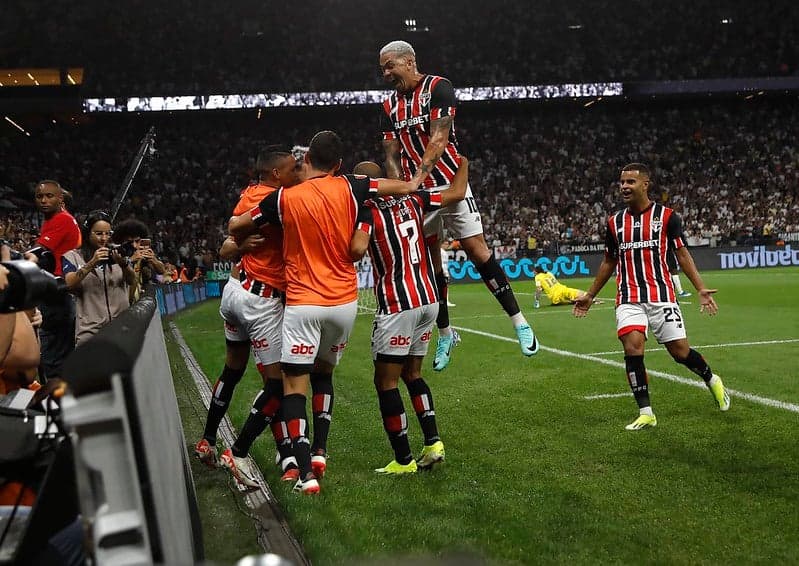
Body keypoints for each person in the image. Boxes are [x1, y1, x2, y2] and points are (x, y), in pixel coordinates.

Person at [229, 130, 417, 495]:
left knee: (293, 386)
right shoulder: (352, 186)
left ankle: (305, 474)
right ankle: (320, 452)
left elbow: (238, 225)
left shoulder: (284, 197)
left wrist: (243, 233)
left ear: (306, 159)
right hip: (344, 304)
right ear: (339, 164)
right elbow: (400, 187)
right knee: (324, 375)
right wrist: (415, 175)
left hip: (303, 303)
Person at [378, 40, 538, 373]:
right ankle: (446, 335)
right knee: (430, 265)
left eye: (390, 65)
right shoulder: (389, 104)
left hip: (450, 184)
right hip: (416, 194)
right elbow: (391, 152)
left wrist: (416, 179)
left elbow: (439, 138)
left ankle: (520, 322)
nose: (386, 73)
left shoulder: (438, 87)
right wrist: (400, 188)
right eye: (383, 68)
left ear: (409, 61)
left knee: (477, 250)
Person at [572, 163, 730, 430]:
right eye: (622, 182)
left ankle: (712, 379)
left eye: (630, 182)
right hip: (628, 296)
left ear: (645, 184)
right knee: (632, 348)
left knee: (680, 352)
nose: (624, 186)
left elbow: (682, 254)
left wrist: (700, 288)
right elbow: (609, 261)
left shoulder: (667, 217)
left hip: (662, 295)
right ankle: (646, 412)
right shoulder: (614, 222)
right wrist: (590, 295)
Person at [350, 157, 469, 474]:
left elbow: (357, 250)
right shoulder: (415, 199)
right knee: (412, 374)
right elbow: (457, 193)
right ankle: (433, 443)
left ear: (365, 185)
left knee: (385, 382)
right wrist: (461, 160)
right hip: (428, 299)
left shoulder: (366, 211)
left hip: (397, 304)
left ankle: (403, 460)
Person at [197, 146, 303, 489]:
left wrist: (239, 247)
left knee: (233, 369)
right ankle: (239, 452)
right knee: (277, 384)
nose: (298, 172)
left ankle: (207, 439)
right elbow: (231, 239)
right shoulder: (279, 200)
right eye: (293, 168)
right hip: (261, 301)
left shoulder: (250, 194)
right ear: (276, 174)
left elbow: (228, 244)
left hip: (235, 289)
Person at [62, 210, 136, 346]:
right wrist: (92, 263)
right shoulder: (72, 257)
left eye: (107, 233)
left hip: (121, 328)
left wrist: (123, 264)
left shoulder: (117, 253)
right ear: (87, 233)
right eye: (99, 233)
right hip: (90, 333)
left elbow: (132, 280)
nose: (104, 238)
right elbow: (69, 284)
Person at [33, 180, 81, 380]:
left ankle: (58, 395)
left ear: (60, 200)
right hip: (58, 293)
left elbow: (37, 254)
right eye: (39, 197)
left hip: (57, 293)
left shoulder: (62, 220)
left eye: (49, 196)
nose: (43, 201)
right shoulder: (56, 219)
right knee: (59, 353)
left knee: (53, 357)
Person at [112, 218, 167, 302]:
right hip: (118, 301)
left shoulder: (142, 255)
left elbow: (161, 271)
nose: (134, 245)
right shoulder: (116, 255)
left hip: (133, 302)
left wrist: (153, 259)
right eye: (129, 242)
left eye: (137, 241)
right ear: (121, 242)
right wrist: (130, 260)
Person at [533, 265, 602, 308]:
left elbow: (539, 289)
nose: (533, 273)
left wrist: (537, 300)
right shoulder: (549, 273)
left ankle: (572, 301)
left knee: (568, 301)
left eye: (534, 272)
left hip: (555, 296)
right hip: (562, 289)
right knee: (577, 293)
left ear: (536, 272)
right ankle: (593, 299)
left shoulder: (537, 277)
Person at [440, 239, 456, 307]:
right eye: (446, 244)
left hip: (443, 271)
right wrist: (445, 272)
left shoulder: (443, 252)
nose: (447, 246)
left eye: (448, 244)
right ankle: (445, 301)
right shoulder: (442, 252)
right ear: (442, 244)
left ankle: (444, 301)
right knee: (445, 287)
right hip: (443, 272)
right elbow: (442, 264)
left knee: (444, 287)